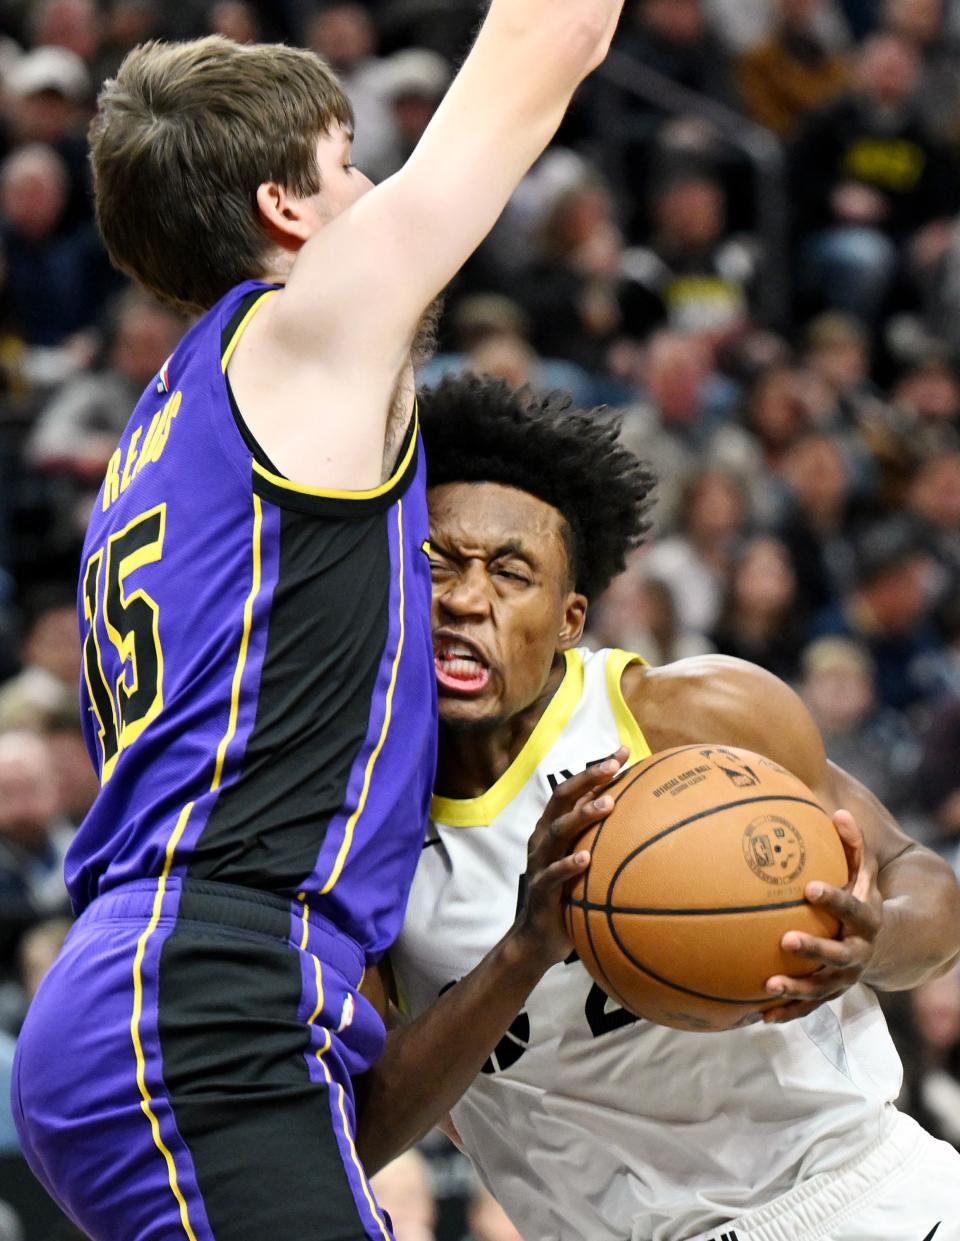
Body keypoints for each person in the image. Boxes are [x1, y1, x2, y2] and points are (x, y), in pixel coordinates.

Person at [11, 9, 629, 1239]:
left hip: (182, 985)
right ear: (286, 209)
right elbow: (548, 43)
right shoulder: (296, 341)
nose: (377, 196)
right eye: (351, 165)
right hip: (203, 980)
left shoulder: (176, 426)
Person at [375, 373, 960, 1241]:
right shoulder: (354, 829)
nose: (465, 597)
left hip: (854, 1199)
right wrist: (527, 947)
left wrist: (868, 938)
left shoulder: (686, 714)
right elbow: (365, 1124)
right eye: (437, 562)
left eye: (509, 571)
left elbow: (927, 885)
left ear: (571, 615)